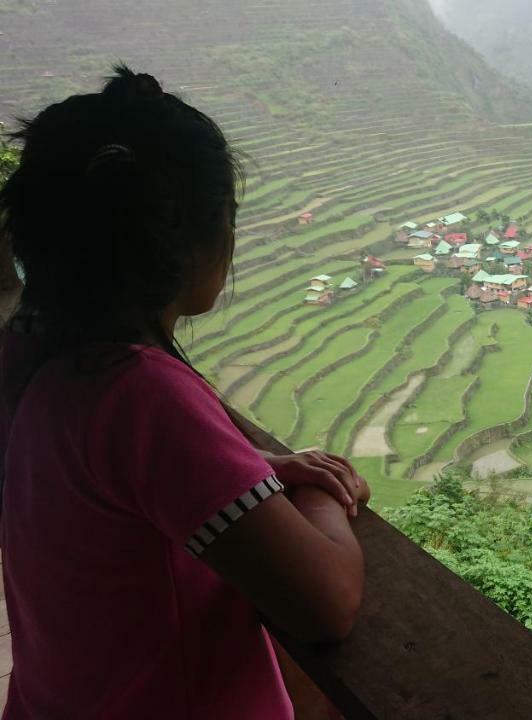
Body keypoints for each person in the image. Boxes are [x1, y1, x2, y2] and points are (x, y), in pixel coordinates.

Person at [0, 66, 368, 718]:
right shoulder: (139, 396)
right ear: (202, 237)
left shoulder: (26, 349)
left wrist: (250, 475)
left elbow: (117, 500)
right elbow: (326, 603)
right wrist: (323, 492)